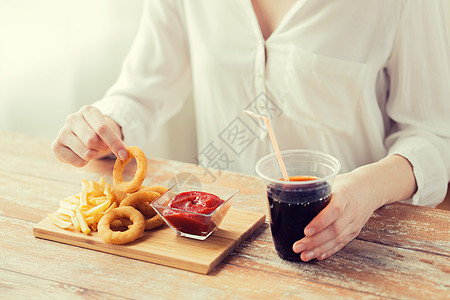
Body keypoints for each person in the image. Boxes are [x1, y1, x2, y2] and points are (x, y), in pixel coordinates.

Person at [52, 0, 450, 262]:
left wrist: (368, 188)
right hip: (214, 238)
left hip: (352, 242)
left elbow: (434, 135)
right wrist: (101, 130)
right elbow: (141, 92)